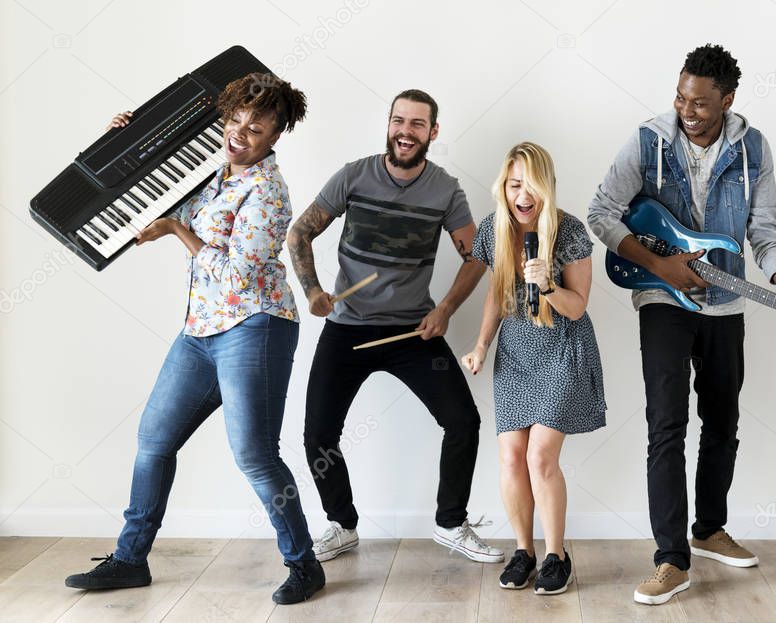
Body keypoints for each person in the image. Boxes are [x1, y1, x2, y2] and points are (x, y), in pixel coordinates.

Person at [65, 73, 325, 604]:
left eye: (256, 128)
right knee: (154, 441)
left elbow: (236, 277)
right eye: (234, 121)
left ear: (275, 137)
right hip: (200, 329)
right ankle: (130, 561)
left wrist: (177, 233)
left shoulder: (268, 192)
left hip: (256, 326)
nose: (241, 134)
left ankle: (304, 565)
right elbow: (143, 191)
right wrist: (119, 141)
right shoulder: (212, 171)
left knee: (254, 453)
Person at [587, 44, 776, 605]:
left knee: (723, 422)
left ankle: (709, 528)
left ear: (727, 100)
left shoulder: (752, 148)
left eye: (701, 104)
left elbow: (764, 227)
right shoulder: (646, 141)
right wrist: (659, 265)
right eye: (681, 99)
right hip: (662, 300)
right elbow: (600, 212)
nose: (688, 111)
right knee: (666, 426)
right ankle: (670, 560)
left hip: (728, 304)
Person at [287, 89, 503, 564]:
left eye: (418, 124)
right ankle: (342, 524)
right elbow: (299, 231)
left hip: (413, 333)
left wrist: (445, 307)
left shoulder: (445, 189)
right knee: (318, 433)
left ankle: (451, 524)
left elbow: (478, 256)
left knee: (463, 421)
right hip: (346, 329)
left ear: (433, 132)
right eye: (399, 121)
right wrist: (313, 292)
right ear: (389, 124)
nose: (406, 131)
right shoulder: (354, 176)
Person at [461, 142, 606, 595]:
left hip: (562, 347)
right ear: (503, 187)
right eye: (513, 184)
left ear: (547, 187)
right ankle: (524, 552)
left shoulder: (571, 232)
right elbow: (494, 294)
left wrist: (547, 284)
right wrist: (481, 346)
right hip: (516, 352)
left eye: (531, 185)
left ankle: (556, 555)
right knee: (510, 457)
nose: (522, 194)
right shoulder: (494, 229)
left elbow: (578, 308)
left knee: (540, 457)